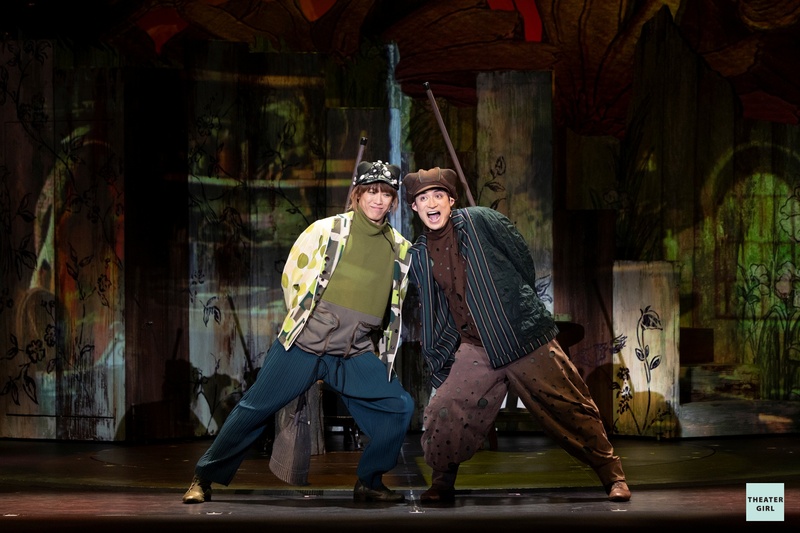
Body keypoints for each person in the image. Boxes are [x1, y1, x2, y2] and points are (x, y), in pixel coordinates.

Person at [182, 160, 415, 504]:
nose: (378, 200)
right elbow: (293, 275)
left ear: (394, 200)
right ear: (357, 195)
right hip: (305, 344)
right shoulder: (328, 230)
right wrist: (311, 321)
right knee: (255, 408)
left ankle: (369, 480)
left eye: (386, 194)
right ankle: (204, 476)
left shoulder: (400, 248)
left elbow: (395, 300)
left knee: (399, 405)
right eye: (371, 192)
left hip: (352, 351)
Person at [402, 167, 631, 504]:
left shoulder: (480, 220)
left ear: (451, 201)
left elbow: (520, 256)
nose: (432, 203)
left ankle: (612, 474)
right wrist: (442, 353)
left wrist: (514, 302)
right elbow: (435, 307)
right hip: (477, 347)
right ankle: (442, 482)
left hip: (521, 336)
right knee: (445, 409)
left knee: (568, 405)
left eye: (439, 195)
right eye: (423, 198)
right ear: (414, 207)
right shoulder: (420, 254)